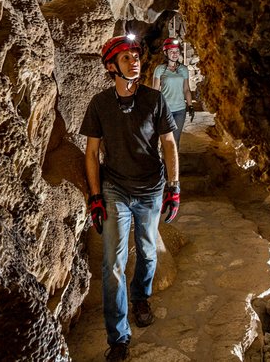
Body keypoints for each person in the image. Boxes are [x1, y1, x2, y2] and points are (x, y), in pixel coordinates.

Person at [80, 34, 181, 362]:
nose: (135, 61)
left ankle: (141, 296)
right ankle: (119, 337)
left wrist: (174, 187)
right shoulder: (99, 104)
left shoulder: (155, 99)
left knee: (149, 254)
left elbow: (168, 142)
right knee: (113, 264)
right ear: (111, 66)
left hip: (151, 188)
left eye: (136, 55)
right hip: (116, 190)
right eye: (126, 58)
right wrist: (96, 197)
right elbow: (92, 151)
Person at [151, 37, 194, 148]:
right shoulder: (160, 69)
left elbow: (186, 89)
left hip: (180, 110)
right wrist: (153, 109)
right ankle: (164, 163)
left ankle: (173, 165)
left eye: (177, 51)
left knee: (175, 140)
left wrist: (190, 105)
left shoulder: (183, 69)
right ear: (166, 53)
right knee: (165, 140)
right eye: (172, 52)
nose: (175, 54)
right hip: (165, 110)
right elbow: (155, 90)